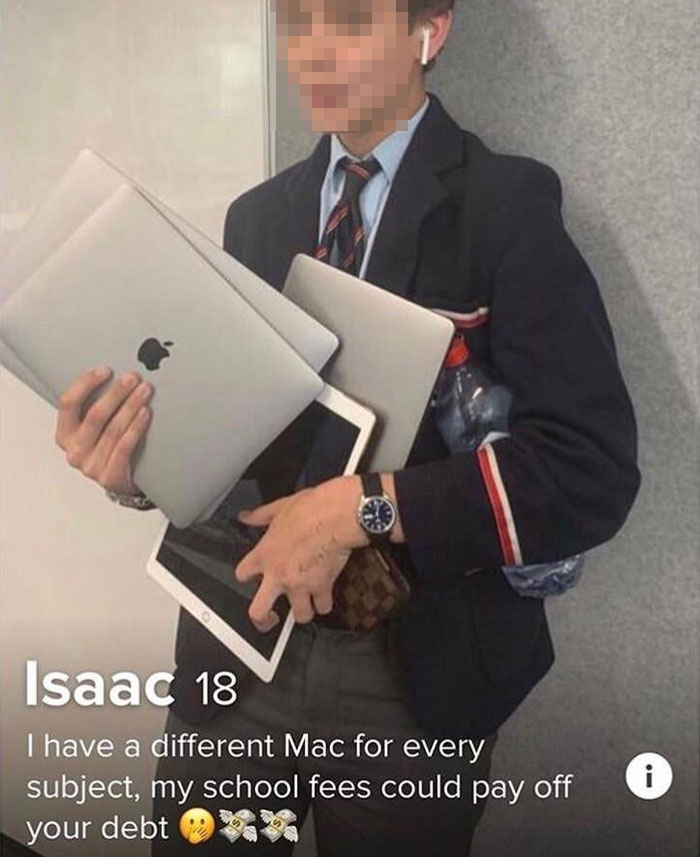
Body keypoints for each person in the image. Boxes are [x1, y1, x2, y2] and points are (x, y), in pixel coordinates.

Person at [53, 0, 641, 853]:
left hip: (410, 674)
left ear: (427, 34)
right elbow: (237, 445)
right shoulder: (257, 217)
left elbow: (588, 471)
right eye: (298, 22)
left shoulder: (507, 207)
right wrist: (134, 470)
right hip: (236, 638)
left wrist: (354, 509)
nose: (315, 52)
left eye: (351, 21)